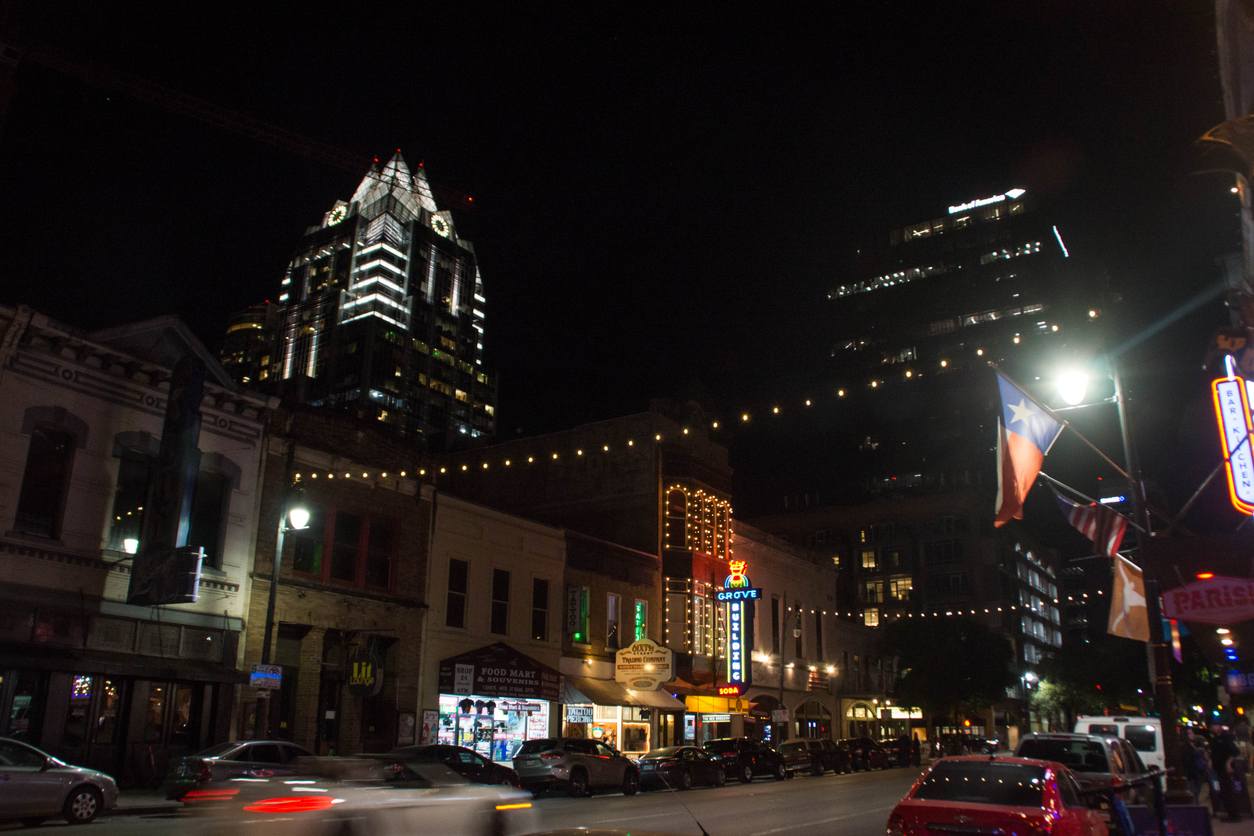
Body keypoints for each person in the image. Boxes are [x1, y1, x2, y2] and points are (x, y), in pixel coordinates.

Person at [1211, 724, 1244, 822]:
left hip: (1224, 768)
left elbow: (1235, 751)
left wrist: (1229, 763)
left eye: (1216, 725)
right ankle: (1230, 813)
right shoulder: (1216, 738)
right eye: (1213, 725)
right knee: (1224, 792)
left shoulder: (1225, 737)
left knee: (1228, 791)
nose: (1213, 727)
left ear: (1220, 726)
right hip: (1219, 768)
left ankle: (1234, 815)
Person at [1181, 727, 1205, 805]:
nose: (1193, 735)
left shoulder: (1193, 744)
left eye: (1192, 733)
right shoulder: (1186, 746)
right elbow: (1188, 761)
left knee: (1195, 792)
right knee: (1193, 792)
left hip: (1196, 772)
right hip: (1191, 774)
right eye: (1190, 733)